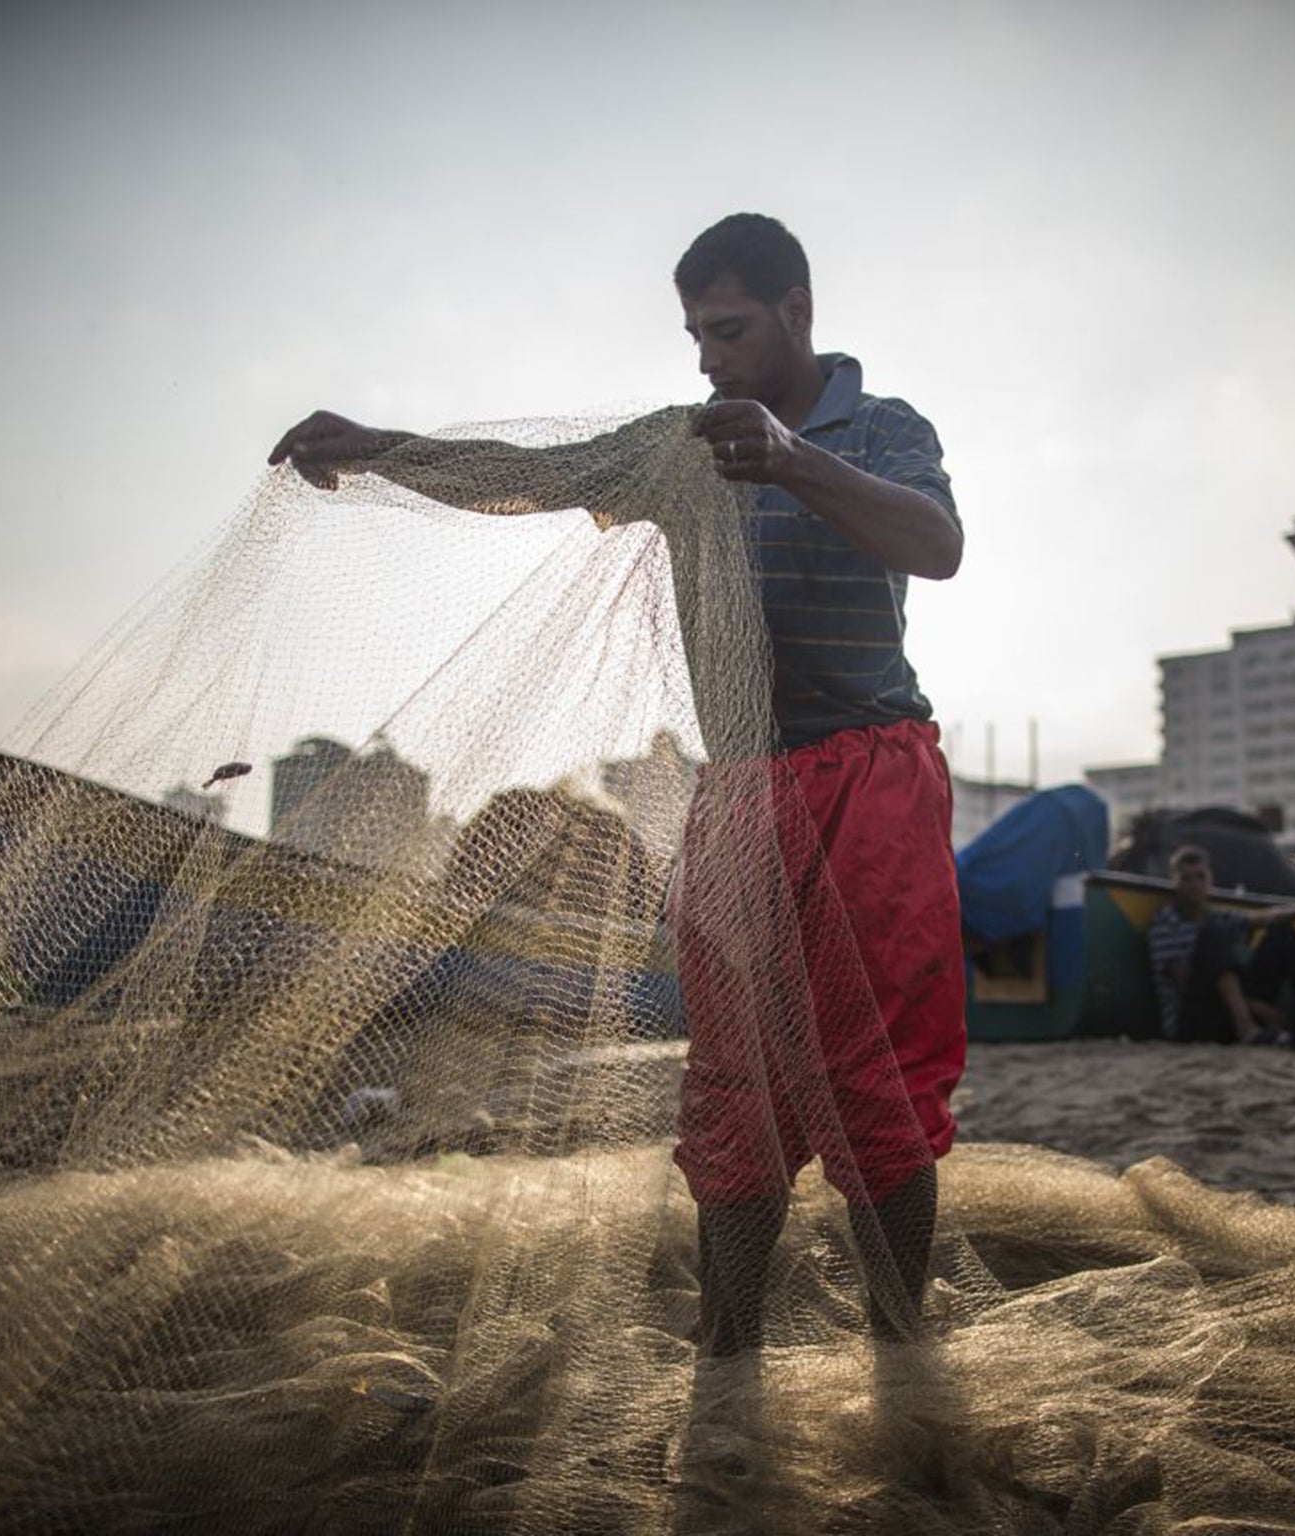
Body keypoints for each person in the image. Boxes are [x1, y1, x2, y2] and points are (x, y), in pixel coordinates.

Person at [267, 213, 965, 1355]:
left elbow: (934, 544)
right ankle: (725, 1354)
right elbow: (525, 478)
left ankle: (901, 1351)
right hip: (741, 796)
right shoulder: (681, 446)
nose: (707, 357)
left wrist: (794, 459)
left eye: (728, 329)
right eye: (693, 334)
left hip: (868, 785)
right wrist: (381, 447)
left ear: (796, 311)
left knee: (874, 1086)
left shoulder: (880, 428)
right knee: (733, 1092)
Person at [1147, 845, 1295, 1048]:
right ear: (1173, 881)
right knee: (1214, 934)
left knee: (1282, 933)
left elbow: (1263, 918)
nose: (1194, 885)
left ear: (1209, 881)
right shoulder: (1166, 925)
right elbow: (1184, 983)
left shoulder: (1213, 917)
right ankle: (1247, 1028)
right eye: (1186, 878)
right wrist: (1256, 1007)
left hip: (1229, 1012)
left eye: (1200, 877)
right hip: (1193, 1022)